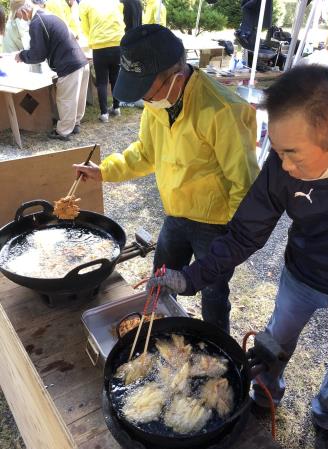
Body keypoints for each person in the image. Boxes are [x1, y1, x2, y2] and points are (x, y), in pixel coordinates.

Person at [148, 65, 328, 449]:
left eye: (292, 154)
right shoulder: (283, 161)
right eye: (277, 150)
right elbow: (244, 233)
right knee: (276, 342)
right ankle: (266, 393)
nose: (282, 166)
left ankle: (326, 418)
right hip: (302, 274)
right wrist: (193, 276)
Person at [73, 25, 259, 334]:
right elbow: (146, 153)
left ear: (176, 76)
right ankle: (155, 330)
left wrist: (233, 242)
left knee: (213, 293)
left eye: (146, 87)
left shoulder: (224, 111)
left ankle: (219, 347)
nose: (143, 98)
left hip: (214, 224)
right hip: (175, 214)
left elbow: (245, 184)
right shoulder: (157, 103)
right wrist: (104, 171)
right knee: (160, 279)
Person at [15, 0, 89, 140]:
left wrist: (22, 55)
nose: (19, 18)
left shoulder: (36, 23)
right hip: (80, 59)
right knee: (77, 97)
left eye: (18, 15)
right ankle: (75, 123)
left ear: (24, 10)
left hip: (68, 64)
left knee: (65, 99)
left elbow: (38, 54)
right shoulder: (49, 16)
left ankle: (63, 131)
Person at [79, 0, 124, 123]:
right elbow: (121, 19)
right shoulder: (114, 2)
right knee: (115, 77)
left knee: (102, 81)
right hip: (117, 43)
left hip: (99, 46)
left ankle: (104, 113)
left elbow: (85, 26)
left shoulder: (86, 4)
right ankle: (116, 107)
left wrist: (91, 38)